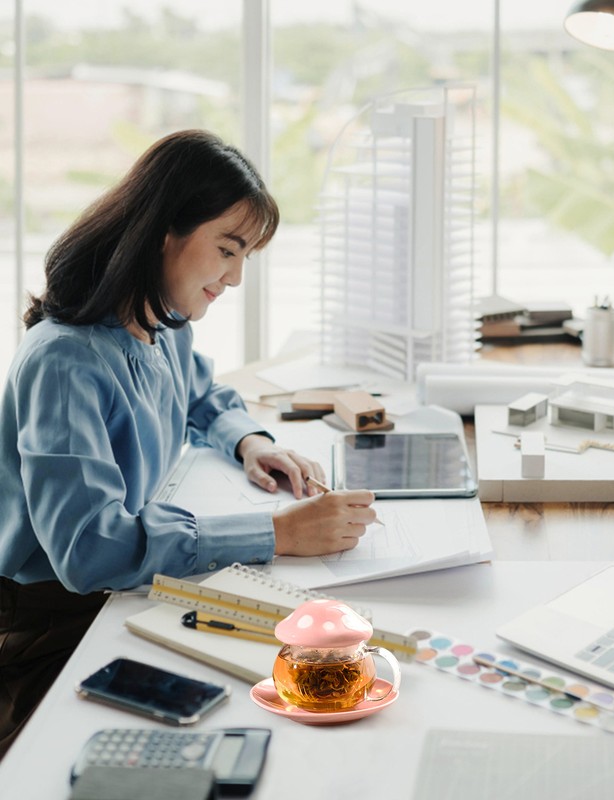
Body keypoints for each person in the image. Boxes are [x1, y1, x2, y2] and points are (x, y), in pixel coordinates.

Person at [0, 129, 377, 758]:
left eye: (246, 256)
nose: (233, 278)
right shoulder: (66, 362)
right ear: (162, 233)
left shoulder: (158, 320)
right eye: (228, 249)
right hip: (51, 624)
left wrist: (250, 441)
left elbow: (201, 396)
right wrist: (277, 535)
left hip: (126, 592)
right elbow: (89, 551)